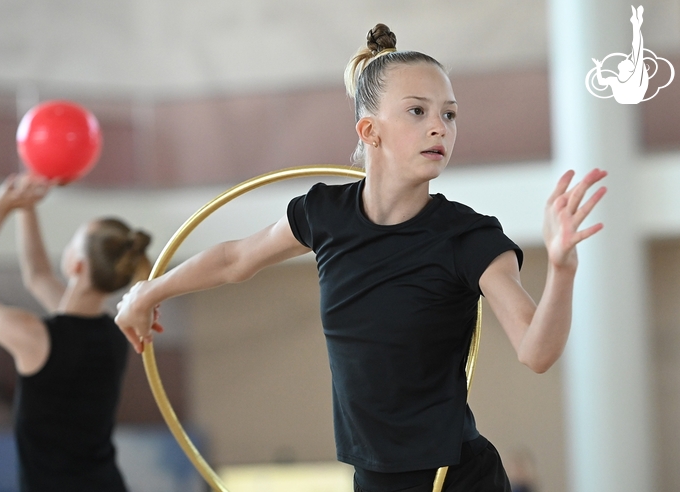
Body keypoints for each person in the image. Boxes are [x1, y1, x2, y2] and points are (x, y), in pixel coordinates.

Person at [115, 23, 607, 492]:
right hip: (371, 479)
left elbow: (537, 353)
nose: (439, 127)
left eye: (449, 114)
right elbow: (234, 260)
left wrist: (563, 268)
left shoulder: (469, 237)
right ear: (369, 130)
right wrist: (148, 292)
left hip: (455, 479)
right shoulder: (325, 214)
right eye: (418, 111)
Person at [0, 173, 152, 491]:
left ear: (78, 266)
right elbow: (38, 275)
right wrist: (26, 208)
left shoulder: (34, 337)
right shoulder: (115, 334)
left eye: (74, 241)